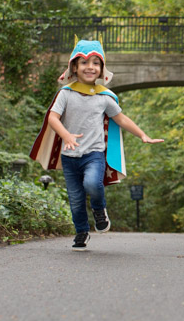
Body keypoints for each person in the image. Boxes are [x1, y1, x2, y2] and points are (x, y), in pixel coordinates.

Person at [30, 38, 163, 250]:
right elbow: (53, 118)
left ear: (102, 69)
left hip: (94, 154)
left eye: (95, 63)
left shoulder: (104, 97)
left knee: (92, 184)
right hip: (70, 156)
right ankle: (81, 232)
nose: (90, 67)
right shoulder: (66, 94)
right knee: (75, 199)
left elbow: (121, 119)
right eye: (84, 62)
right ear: (74, 67)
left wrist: (142, 135)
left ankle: (100, 210)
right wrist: (66, 136)